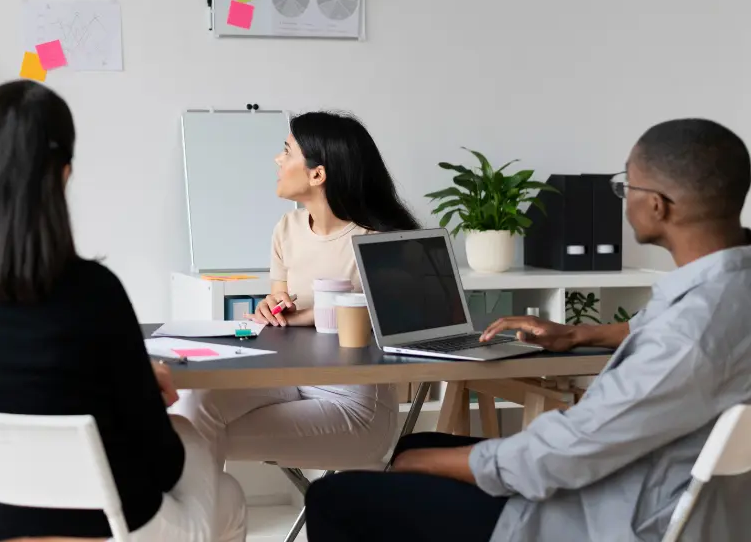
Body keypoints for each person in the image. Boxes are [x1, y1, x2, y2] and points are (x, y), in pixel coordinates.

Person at [305, 118, 751, 542]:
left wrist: (428, 463)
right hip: (663, 485)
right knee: (419, 443)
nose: (623, 197)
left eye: (626, 186)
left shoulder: (688, 335)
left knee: (336, 496)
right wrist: (579, 334)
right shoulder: (728, 290)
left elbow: (562, 457)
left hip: (599, 516)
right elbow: (660, 334)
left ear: (658, 205)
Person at [0, 80, 247, 542]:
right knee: (220, 479)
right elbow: (162, 465)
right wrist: (138, 393)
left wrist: (128, 390)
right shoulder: (94, 295)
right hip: (113, 530)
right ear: (61, 175)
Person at [177, 111, 420, 470]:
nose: (278, 159)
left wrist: (304, 316)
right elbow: (281, 313)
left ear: (317, 174)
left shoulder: (379, 241)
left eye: (287, 151)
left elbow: (385, 321)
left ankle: (200, 523)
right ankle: (199, 521)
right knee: (190, 404)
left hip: (353, 405)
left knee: (190, 434)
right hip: (289, 379)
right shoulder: (287, 228)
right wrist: (271, 309)